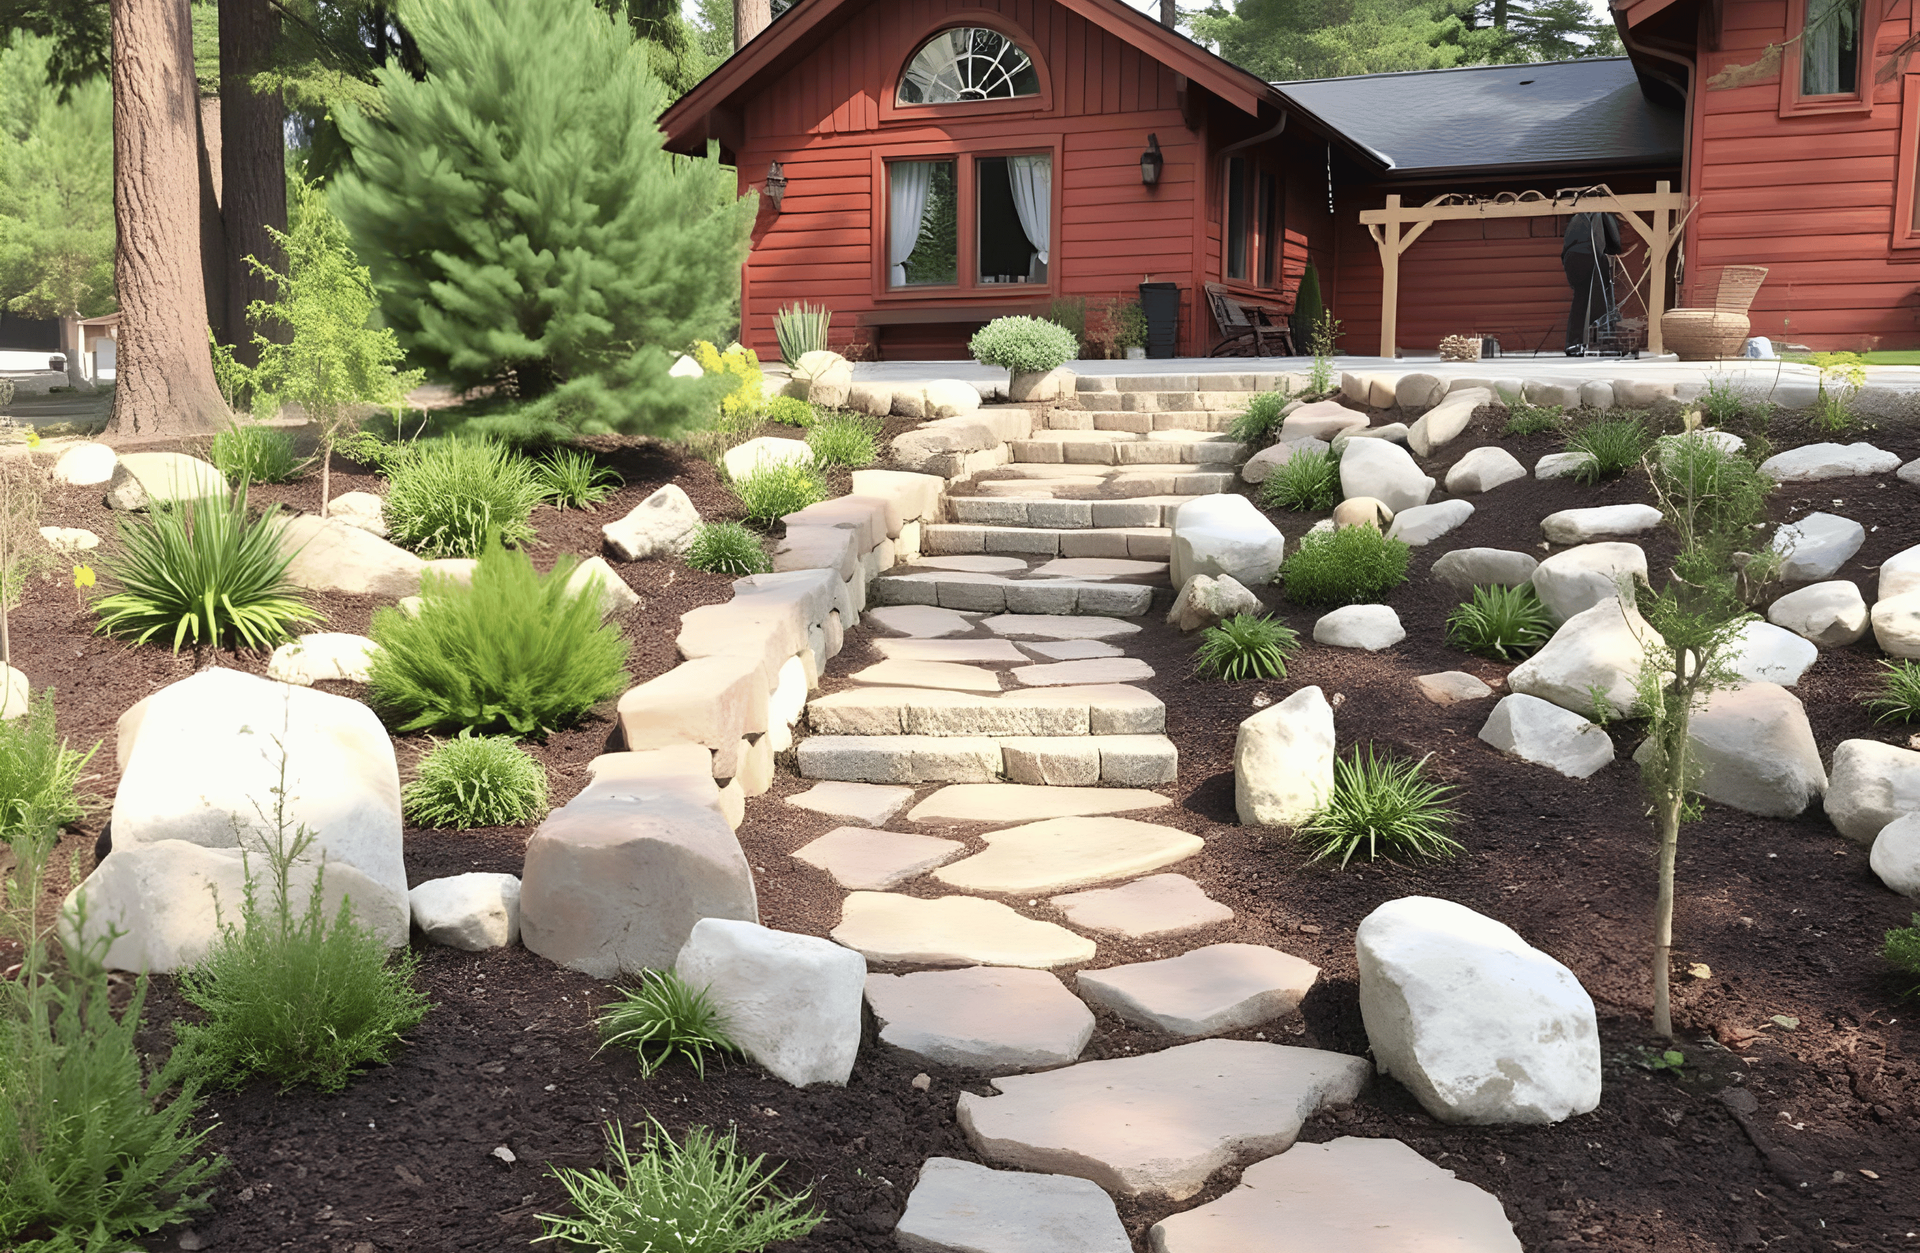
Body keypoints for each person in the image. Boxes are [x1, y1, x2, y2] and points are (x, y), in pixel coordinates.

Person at [1562, 211, 1622, 355]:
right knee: (1599, 300)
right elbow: (1615, 243)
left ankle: (1574, 343)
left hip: (1571, 259)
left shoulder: (1576, 217)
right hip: (1592, 255)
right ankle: (1599, 342)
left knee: (1580, 299)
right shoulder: (1603, 212)